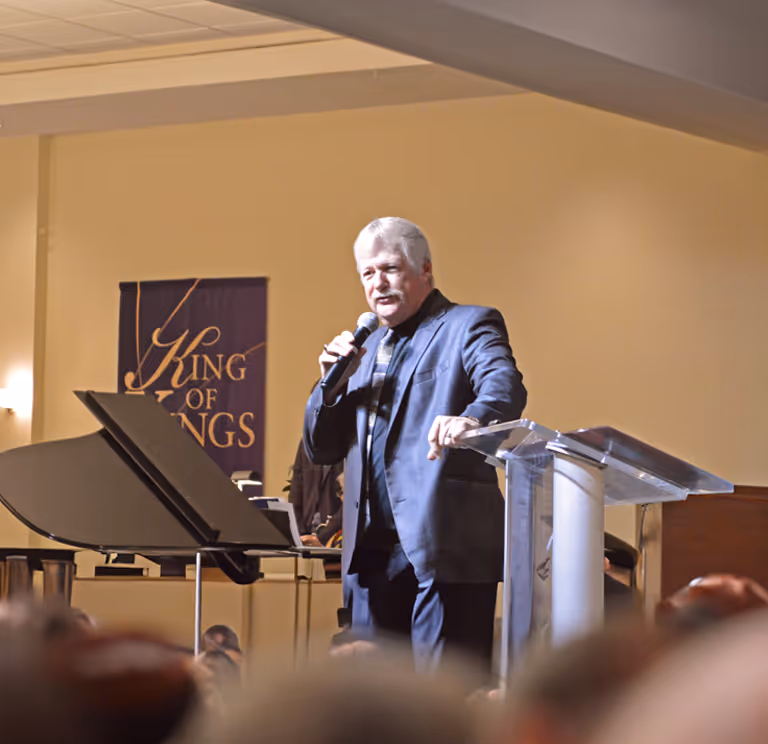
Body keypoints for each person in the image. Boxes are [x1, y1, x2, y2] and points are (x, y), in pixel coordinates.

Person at [303, 217, 527, 673]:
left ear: (424, 269)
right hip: (370, 554)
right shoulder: (361, 352)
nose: (377, 283)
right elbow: (320, 448)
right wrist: (328, 386)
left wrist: (471, 418)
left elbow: (504, 386)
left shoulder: (468, 324)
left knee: (444, 701)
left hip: (443, 546)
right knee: (378, 708)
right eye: (367, 273)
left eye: (389, 269)